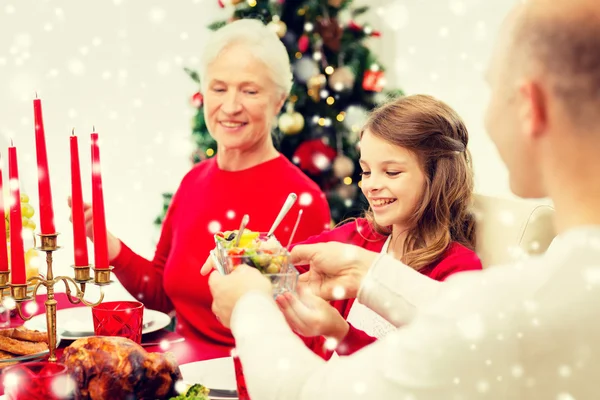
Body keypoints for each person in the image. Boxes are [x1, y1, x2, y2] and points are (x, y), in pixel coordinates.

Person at [206, 0, 600, 398]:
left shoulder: (516, 302)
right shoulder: (539, 299)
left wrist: (247, 304)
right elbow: (459, 317)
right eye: (366, 170)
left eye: (492, 88)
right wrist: (363, 273)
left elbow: (310, 393)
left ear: (530, 106)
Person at [70, 19, 331, 358]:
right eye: (219, 88)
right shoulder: (194, 181)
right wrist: (106, 244)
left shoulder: (302, 200)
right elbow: (162, 295)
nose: (231, 106)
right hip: (180, 377)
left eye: (250, 91)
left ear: (279, 101)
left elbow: (310, 333)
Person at [273, 94, 482, 358]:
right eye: (366, 171)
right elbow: (282, 261)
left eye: (391, 172)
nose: (370, 185)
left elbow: (419, 371)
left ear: (438, 177)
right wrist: (254, 253)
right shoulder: (358, 235)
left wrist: (341, 334)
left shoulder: (459, 270)